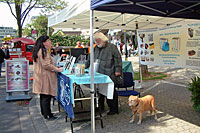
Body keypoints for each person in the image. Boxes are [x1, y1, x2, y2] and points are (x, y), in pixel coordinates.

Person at [85, 32, 123, 115]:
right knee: (98, 92)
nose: (97, 43)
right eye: (96, 41)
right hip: (98, 74)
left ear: (103, 40)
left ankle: (113, 109)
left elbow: (118, 60)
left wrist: (118, 71)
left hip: (110, 74)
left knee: (110, 92)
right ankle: (100, 107)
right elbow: (90, 59)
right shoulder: (95, 48)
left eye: (98, 41)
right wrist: (85, 66)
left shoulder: (112, 47)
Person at [32, 36, 63, 120]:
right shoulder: (43, 51)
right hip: (45, 77)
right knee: (46, 96)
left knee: (43, 96)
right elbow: (46, 65)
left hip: (41, 77)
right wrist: (57, 69)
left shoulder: (38, 50)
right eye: (48, 40)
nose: (50, 42)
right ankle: (48, 115)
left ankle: (45, 113)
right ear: (44, 42)